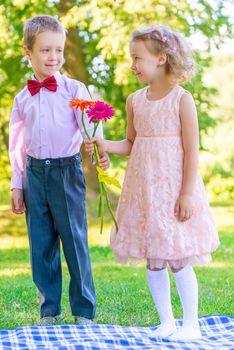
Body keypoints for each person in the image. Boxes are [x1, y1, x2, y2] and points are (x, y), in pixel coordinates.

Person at [85, 24, 220, 340]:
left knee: (177, 256)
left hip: (173, 190)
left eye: (137, 58)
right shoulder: (135, 100)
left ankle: (191, 324)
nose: (132, 65)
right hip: (144, 190)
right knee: (154, 259)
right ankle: (167, 322)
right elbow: (131, 143)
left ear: (161, 58)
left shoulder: (181, 99)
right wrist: (106, 146)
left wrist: (187, 194)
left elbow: (191, 150)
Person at [9, 14, 109, 326]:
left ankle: (83, 311)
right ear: (29, 53)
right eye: (45, 50)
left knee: (74, 241)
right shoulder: (22, 98)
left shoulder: (75, 88)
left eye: (59, 50)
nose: (54, 57)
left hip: (67, 172)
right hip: (34, 175)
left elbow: (93, 123)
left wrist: (99, 148)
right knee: (41, 246)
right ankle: (49, 310)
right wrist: (17, 184)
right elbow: (17, 145)